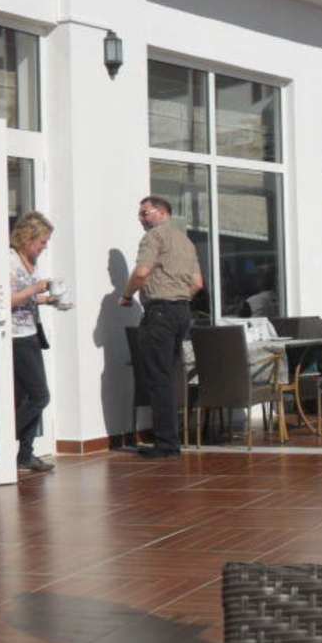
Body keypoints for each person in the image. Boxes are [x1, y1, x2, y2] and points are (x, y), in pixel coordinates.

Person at [120, 196, 203, 458]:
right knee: (168, 376)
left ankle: (167, 444)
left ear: (163, 213)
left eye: (145, 212)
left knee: (158, 378)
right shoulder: (186, 242)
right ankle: (170, 440)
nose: (141, 218)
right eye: (140, 214)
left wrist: (126, 295)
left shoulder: (153, 237)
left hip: (160, 312)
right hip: (182, 311)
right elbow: (197, 284)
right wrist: (179, 297)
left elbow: (141, 272)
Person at [10, 211, 56, 474]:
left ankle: (25, 455)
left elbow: (25, 299)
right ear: (28, 238)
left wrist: (48, 300)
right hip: (16, 337)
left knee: (31, 396)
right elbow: (5, 300)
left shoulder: (29, 262)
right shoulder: (10, 260)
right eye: (42, 241)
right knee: (40, 396)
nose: (44, 246)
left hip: (30, 334)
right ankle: (0, 443)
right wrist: (35, 289)